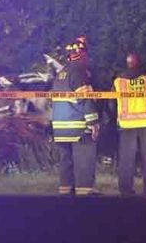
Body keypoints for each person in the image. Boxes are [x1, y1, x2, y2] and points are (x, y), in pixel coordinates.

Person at [51, 36, 100, 196]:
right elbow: (85, 99)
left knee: (66, 162)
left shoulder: (61, 73)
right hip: (77, 127)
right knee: (84, 161)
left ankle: (65, 193)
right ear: (83, 54)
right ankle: (84, 194)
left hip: (60, 128)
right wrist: (93, 122)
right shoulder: (79, 72)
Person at [113, 52, 146, 195]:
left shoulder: (119, 81)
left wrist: (114, 118)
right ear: (139, 63)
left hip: (127, 123)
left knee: (126, 158)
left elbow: (111, 102)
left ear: (127, 63)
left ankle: (125, 189)